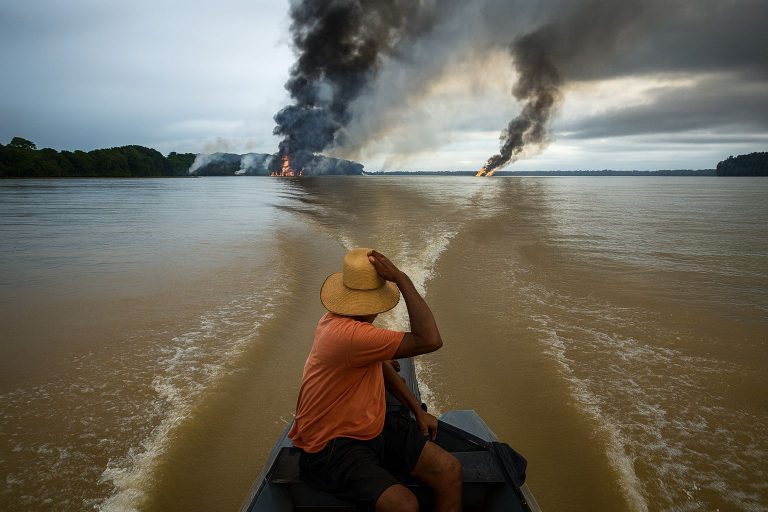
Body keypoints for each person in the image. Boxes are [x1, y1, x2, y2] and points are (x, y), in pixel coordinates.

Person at [289, 248, 462, 511]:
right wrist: (401, 279)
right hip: (331, 445)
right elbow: (430, 339)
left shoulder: (340, 321)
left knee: (448, 470)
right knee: (404, 505)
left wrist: (417, 412)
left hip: (371, 427)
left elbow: (380, 365)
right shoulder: (349, 336)